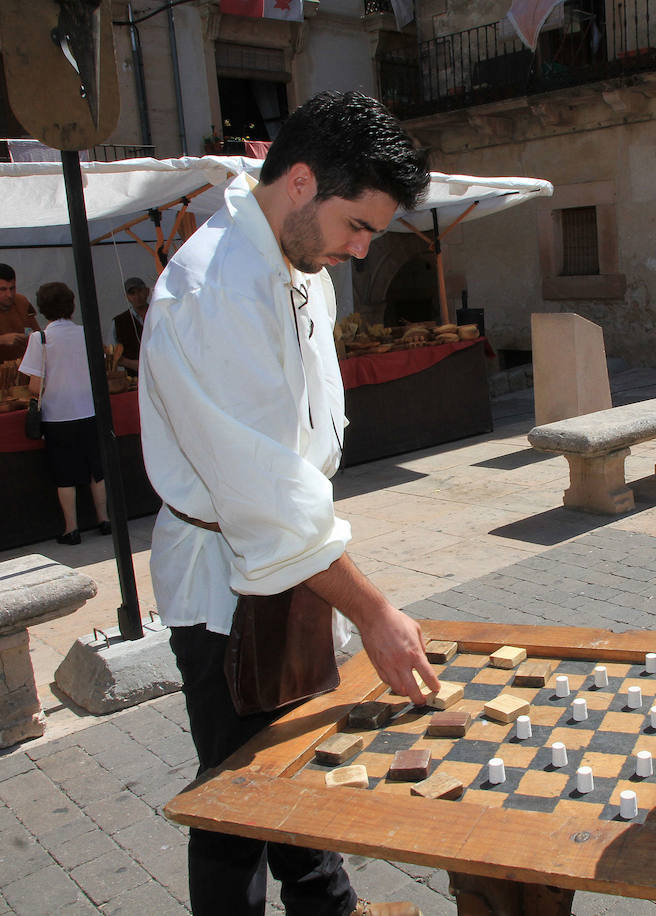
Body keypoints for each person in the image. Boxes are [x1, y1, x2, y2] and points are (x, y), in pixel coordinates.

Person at [139, 91, 436, 916]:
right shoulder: (214, 289)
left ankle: (327, 909)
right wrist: (374, 611)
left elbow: (301, 451)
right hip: (223, 587)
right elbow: (263, 496)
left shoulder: (301, 263)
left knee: (302, 764)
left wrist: (333, 577)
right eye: (358, 226)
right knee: (236, 803)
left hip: (296, 565)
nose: (362, 249)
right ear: (301, 182)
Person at [19, 282, 110, 546]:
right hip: (89, 409)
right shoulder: (87, 333)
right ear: (71, 305)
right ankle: (104, 519)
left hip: (57, 415)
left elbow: (35, 385)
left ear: (42, 309)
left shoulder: (40, 339)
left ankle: (72, 528)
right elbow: (99, 369)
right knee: (96, 469)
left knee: (64, 474)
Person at [109, 276, 150, 375]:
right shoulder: (119, 322)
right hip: (134, 378)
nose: (137, 296)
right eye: (132, 293)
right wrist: (131, 364)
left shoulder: (160, 314)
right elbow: (111, 354)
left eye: (140, 291)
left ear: (147, 291)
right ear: (126, 296)